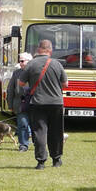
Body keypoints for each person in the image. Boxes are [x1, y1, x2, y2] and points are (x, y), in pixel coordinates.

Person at [18, 38, 67, 169]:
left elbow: (21, 83)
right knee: (56, 131)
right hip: (56, 102)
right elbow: (65, 84)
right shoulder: (57, 64)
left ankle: (41, 162)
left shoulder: (31, 64)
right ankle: (56, 159)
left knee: (40, 132)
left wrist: (32, 84)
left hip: (37, 102)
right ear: (50, 50)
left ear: (38, 49)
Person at [5, 52, 32, 151]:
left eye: (22, 61)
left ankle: (38, 143)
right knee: (22, 124)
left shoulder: (36, 72)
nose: (20, 63)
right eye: (20, 61)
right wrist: (10, 104)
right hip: (20, 104)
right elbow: (10, 89)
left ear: (29, 61)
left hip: (34, 103)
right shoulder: (16, 73)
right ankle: (23, 145)